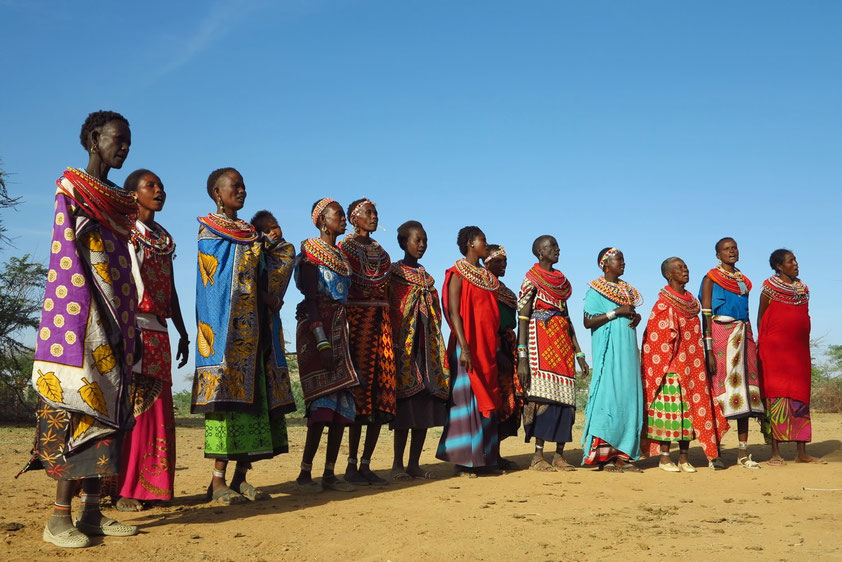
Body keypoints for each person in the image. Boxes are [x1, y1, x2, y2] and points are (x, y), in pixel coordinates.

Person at [20, 111, 139, 547]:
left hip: (117, 319)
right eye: (118, 139)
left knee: (110, 416)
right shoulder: (72, 190)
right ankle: (57, 519)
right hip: (82, 321)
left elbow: (123, 270)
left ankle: (92, 513)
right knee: (80, 410)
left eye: (129, 141)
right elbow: (65, 260)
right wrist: (82, 321)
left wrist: (126, 321)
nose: (125, 147)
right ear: (94, 138)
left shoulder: (116, 202)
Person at [191, 168, 297, 505]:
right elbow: (215, 280)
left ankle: (240, 478)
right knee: (228, 405)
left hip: (258, 335)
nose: (242, 191)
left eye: (244, 186)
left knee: (256, 405)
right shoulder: (210, 230)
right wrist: (256, 276)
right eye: (234, 186)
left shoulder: (252, 233)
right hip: (228, 334)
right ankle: (217, 481)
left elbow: (280, 257)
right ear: (217, 193)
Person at [107, 169, 189, 511]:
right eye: (150, 186)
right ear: (133, 194)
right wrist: (125, 330)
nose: (159, 190)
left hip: (159, 330)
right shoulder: (125, 232)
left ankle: (150, 488)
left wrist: (183, 331)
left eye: (161, 186)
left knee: (157, 409)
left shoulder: (162, 238)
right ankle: (124, 490)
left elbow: (169, 289)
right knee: (133, 408)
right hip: (133, 328)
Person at [641, 257, 729, 472]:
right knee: (670, 414)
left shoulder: (692, 303)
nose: (685, 269)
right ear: (669, 275)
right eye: (679, 268)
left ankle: (683, 458)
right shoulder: (663, 304)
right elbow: (655, 339)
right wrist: (669, 365)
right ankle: (664, 458)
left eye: (686, 266)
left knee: (690, 414)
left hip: (693, 366)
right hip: (670, 367)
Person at [294, 198, 358, 493]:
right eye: (339, 215)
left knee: (341, 408)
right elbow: (309, 297)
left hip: (341, 330)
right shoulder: (309, 250)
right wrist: (321, 341)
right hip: (317, 326)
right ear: (322, 220)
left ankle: (330, 473)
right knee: (321, 407)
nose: (343, 220)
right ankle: (306, 473)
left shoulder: (343, 257)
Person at [517, 236, 589, 472]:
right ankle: (537, 456)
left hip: (562, 348)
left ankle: (559, 455)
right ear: (540, 252)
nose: (557, 250)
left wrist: (579, 352)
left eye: (558, 246)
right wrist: (523, 357)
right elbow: (523, 318)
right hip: (540, 345)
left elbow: (566, 319)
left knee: (565, 401)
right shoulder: (532, 280)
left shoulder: (561, 283)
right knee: (543, 399)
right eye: (552, 247)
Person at [337, 198, 396, 485]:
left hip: (381, 325)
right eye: (368, 213)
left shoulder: (383, 255)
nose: (373, 217)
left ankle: (366, 463)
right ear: (353, 218)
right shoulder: (344, 249)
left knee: (380, 393)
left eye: (375, 213)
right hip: (356, 324)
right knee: (358, 395)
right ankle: (349, 464)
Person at [436, 226, 501, 476]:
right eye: (482, 240)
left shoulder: (487, 277)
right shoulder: (457, 273)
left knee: (489, 402)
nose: (486, 244)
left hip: (486, 348)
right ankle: (464, 461)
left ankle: (486, 461)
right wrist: (464, 348)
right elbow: (453, 312)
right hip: (468, 348)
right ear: (471, 244)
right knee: (467, 404)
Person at [388, 221, 449, 480]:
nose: (422, 245)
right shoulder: (393, 274)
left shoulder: (427, 278)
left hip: (426, 350)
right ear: (404, 243)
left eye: (425, 240)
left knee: (423, 410)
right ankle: (397, 464)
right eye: (417, 240)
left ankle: (414, 463)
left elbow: (436, 312)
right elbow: (391, 308)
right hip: (404, 350)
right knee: (406, 409)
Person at [699, 237, 763, 469]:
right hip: (720, 338)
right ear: (718, 255)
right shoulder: (710, 279)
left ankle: (743, 453)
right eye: (726, 249)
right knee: (721, 392)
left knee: (744, 394)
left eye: (734, 248)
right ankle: (714, 453)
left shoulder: (743, 281)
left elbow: (745, 313)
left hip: (744, 336)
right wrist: (708, 350)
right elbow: (705, 314)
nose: (732, 251)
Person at [758, 250, 824, 465]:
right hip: (775, 350)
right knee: (775, 395)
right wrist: (764, 344)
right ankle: (775, 453)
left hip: (798, 351)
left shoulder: (803, 289)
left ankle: (802, 452)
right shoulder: (769, 288)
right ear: (779, 266)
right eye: (790, 261)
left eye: (795, 260)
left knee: (800, 395)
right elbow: (761, 317)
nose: (795, 264)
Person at [581, 248, 644, 473]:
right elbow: (588, 322)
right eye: (620, 259)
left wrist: (634, 316)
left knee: (629, 398)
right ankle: (603, 457)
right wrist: (616, 313)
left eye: (624, 259)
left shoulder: (626, 290)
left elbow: (628, 311)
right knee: (608, 398)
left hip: (628, 350)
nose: (624, 263)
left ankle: (623, 456)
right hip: (608, 352)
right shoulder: (595, 291)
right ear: (605, 264)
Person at [484, 244, 525, 470]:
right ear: (486, 262)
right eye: (498, 261)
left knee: (507, 399)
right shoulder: (484, 288)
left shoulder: (506, 291)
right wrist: (498, 351)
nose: (503, 265)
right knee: (493, 401)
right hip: (492, 348)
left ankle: (496, 454)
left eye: (505, 261)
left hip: (508, 346)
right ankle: (487, 455)